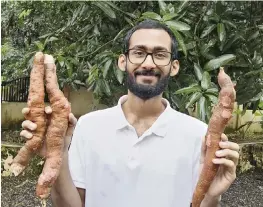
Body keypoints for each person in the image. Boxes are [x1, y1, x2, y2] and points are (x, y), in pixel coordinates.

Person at [20, 19, 240, 207]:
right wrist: (57, 154)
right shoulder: (88, 127)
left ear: (174, 66)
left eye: (160, 54)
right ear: (123, 61)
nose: (148, 63)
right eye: (139, 53)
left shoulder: (198, 135)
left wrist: (212, 196)